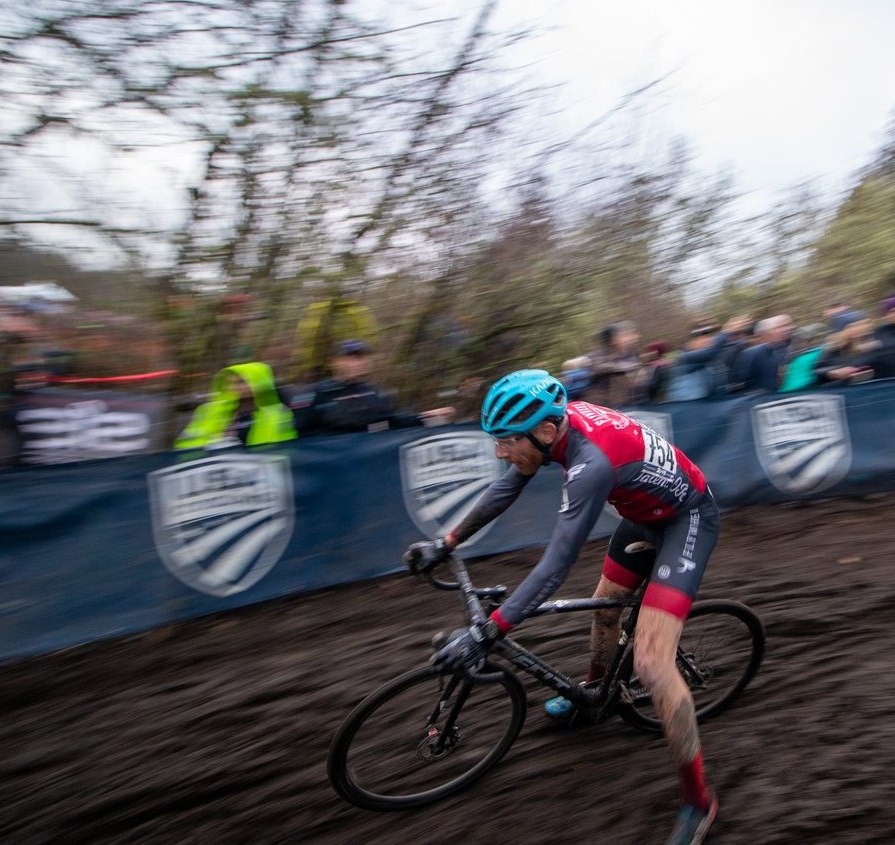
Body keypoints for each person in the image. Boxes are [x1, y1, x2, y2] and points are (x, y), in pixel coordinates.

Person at [408, 370, 722, 843]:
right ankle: (594, 695)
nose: (500, 452)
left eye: (506, 441)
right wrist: (446, 541)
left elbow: (554, 567)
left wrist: (487, 632)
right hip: (642, 516)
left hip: (687, 520)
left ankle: (699, 802)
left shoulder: (590, 463)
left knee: (653, 663)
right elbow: (506, 486)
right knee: (603, 607)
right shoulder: (554, 429)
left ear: (547, 432)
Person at [292, 340, 453, 434]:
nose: (356, 363)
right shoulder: (318, 392)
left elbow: (393, 420)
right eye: (350, 358)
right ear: (336, 362)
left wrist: (426, 416)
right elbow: (301, 434)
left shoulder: (372, 392)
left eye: (360, 358)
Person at [175, 361, 297, 449]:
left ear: (259, 383)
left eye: (241, 382)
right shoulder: (208, 411)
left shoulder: (279, 413)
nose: (234, 387)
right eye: (231, 382)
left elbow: (285, 448)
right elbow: (186, 444)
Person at [733, 314, 793, 393]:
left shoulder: (785, 351)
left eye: (788, 325)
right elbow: (739, 383)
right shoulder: (751, 353)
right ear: (767, 332)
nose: (787, 329)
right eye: (780, 327)